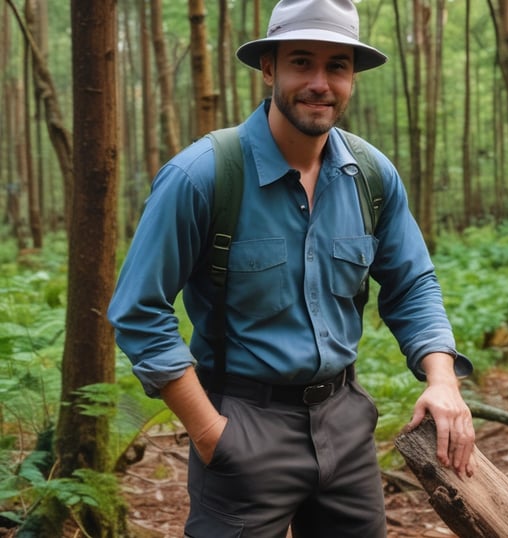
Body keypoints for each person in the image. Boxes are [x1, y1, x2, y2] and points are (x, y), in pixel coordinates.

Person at [108, 0, 475, 536]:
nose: (320, 83)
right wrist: (210, 432)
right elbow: (138, 311)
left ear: (352, 78)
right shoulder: (202, 176)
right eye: (302, 62)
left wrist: (443, 380)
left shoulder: (370, 176)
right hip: (242, 423)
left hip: (346, 425)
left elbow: (412, 282)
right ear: (269, 69)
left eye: (337, 66)